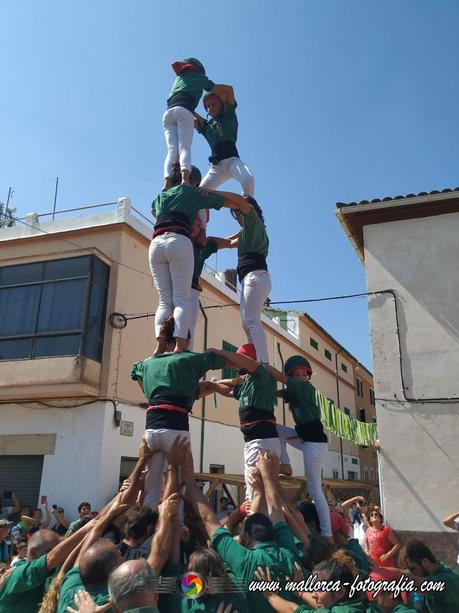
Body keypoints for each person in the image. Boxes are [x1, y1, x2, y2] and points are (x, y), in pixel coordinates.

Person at [131, 317, 239, 508]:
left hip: (151, 430)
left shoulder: (148, 364)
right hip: (176, 429)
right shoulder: (190, 359)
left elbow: (135, 371)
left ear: (165, 340)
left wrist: (158, 348)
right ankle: (176, 528)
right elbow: (233, 362)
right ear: (187, 340)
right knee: (178, 486)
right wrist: (216, 352)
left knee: (151, 488)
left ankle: (145, 529)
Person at [183, 447, 301, 613]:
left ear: (245, 538)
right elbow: (278, 515)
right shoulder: (289, 553)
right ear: (274, 533)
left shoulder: (245, 560)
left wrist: (188, 478)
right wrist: (268, 478)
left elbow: (208, 520)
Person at [150, 170, 247, 353]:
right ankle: (179, 346)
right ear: (195, 182)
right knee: (181, 301)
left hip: (156, 243)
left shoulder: (163, 195)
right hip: (178, 241)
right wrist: (245, 209)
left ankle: (161, 345)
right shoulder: (191, 193)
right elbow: (229, 203)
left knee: (164, 302)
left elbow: (153, 210)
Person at [263, 355, 332, 539]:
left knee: (315, 489)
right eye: (298, 375)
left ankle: (327, 533)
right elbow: (278, 392)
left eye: (305, 374)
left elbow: (279, 377)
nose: (302, 378)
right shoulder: (294, 390)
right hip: (303, 438)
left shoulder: (305, 387)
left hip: (314, 444)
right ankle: (285, 465)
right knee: (275, 429)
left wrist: (262, 368)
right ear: (292, 377)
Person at [214, 343, 280, 501]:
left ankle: (256, 522)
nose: (235, 365)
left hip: (260, 441)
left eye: (239, 360)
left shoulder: (262, 376)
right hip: (255, 441)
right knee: (262, 492)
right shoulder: (245, 385)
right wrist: (213, 385)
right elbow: (227, 391)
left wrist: (219, 352)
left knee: (253, 492)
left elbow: (251, 365)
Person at [163, 58, 227, 188]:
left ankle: (167, 182)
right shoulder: (199, 78)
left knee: (171, 150)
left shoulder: (179, 78)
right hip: (183, 111)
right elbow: (213, 88)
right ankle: (185, 180)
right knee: (184, 147)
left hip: (168, 113)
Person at [230, 195, 271, 363]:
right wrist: (208, 241)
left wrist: (213, 197)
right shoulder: (247, 232)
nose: (238, 218)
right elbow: (228, 242)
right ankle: (255, 360)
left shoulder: (253, 221)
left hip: (254, 276)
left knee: (252, 322)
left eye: (238, 213)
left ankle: (263, 363)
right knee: (247, 325)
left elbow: (242, 202)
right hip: (253, 278)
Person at [195, 85, 254, 197]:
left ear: (222, 105)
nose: (210, 107)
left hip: (232, 161)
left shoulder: (228, 115)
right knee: (199, 194)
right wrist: (184, 106)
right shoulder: (206, 127)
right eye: (208, 106)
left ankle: (248, 206)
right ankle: (194, 214)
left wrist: (208, 84)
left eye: (213, 104)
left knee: (248, 179)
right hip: (216, 168)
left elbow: (229, 90)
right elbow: (188, 120)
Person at [189, 213, 236, 350]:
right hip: (176, 287)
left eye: (199, 225)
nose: (196, 228)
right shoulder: (178, 242)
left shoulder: (202, 247)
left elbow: (228, 243)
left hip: (192, 289)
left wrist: (243, 234)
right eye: (194, 223)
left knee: (189, 326)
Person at [401, 539, 459, 613]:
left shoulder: (450, 580)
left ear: (425, 562)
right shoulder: (429, 574)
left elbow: (424, 585)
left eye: (413, 569)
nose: (411, 573)